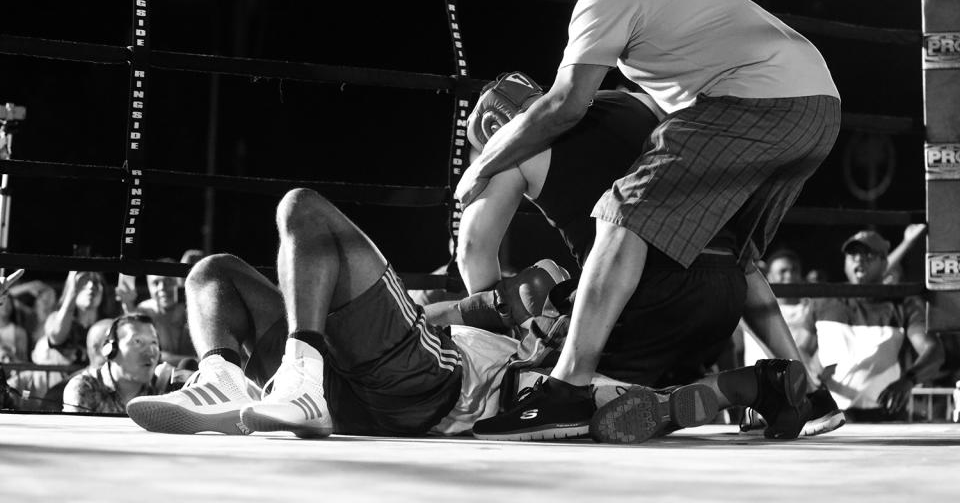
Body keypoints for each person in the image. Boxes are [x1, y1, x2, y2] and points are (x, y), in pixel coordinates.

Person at [455, 0, 841, 439]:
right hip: (818, 107)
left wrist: (486, 164)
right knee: (737, 249)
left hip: (759, 98)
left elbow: (566, 103)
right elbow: (662, 118)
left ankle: (567, 389)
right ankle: (812, 395)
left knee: (622, 212)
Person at [125, 188, 806, 444]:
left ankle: (299, 379)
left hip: (433, 386)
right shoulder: (533, 310)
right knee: (212, 272)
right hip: (374, 374)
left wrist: (741, 390)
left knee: (304, 209)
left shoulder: (567, 371)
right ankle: (222, 376)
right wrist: (522, 293)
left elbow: (641, 405)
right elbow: (460, 307)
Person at [451, 73, 841, 438]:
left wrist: (499, 322)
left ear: (492, 132)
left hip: (644, 299)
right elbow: (742, 256)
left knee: (538, 381)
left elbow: (472, 249)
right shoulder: (631, 101)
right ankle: (793, 389)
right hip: (724, 293)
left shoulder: (513, 146)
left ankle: (717, 392)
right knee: (707, 256)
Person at [811, 230, 943, 421]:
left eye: (868, 255)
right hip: (829, 416)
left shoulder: (903, 304)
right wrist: (810, 372)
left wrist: (908, 380)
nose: (859, 260)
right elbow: (800, 346)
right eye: (853, 255)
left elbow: (933, 349)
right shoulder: (824, 301)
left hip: (886, 415)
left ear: (884, 263)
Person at [61, 313, 183, 414]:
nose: (150, 352)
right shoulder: (85, 387)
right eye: (138, 341)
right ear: (111, 350)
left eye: (154, 343)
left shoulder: (161, 390)